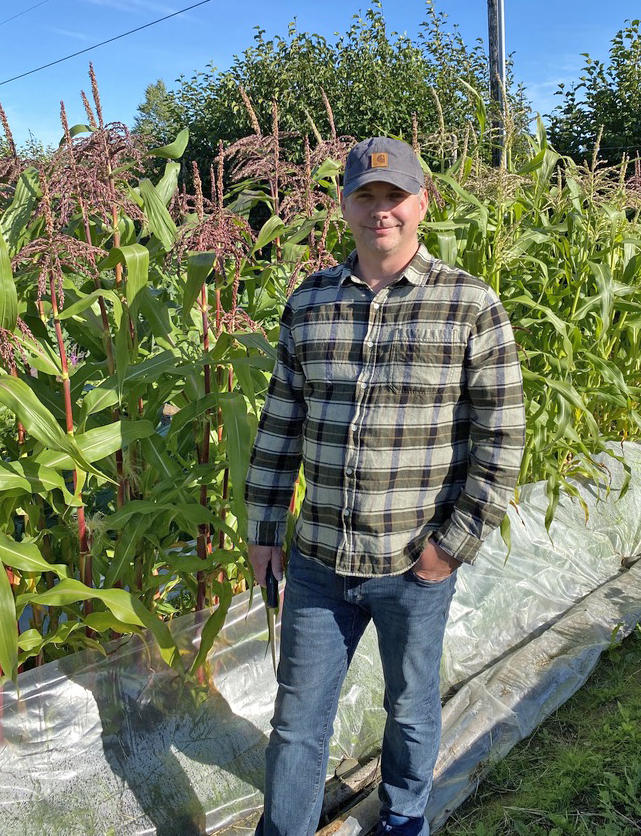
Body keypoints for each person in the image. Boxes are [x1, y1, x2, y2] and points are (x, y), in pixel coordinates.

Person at [245, 137, 526, 836]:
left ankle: (403, 818)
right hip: (318, 561)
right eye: (365, 197)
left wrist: (449, 549)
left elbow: (502, 440)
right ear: (344, 206)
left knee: (410, 705)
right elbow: (280, 423)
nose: (381, 212)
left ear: (421, 203)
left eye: (394, 196)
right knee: (298, 720)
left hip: (413, 562)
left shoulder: (468, 306)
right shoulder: (310, 303)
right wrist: (262, 530)